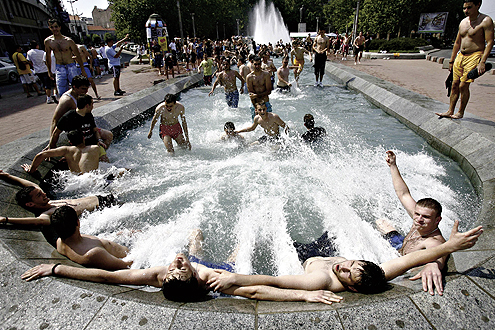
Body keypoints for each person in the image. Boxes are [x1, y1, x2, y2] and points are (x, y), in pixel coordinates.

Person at [21, 222, 483, 304]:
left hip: (294, 258)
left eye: (348, 271)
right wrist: (447, 249)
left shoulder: (332, 275)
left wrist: (57, 269)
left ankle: (222, 247)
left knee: (229, 256)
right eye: (350, 265)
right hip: (303, 257)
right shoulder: (343, 271)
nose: (344, 266)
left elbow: (261, 284)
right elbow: (397, 268)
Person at [376, 151, 449, 295]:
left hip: (403, 260)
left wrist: (434, 265)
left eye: (426, 217)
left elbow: (441, 252)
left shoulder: (433, 241)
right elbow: (403, 194)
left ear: (437, 220)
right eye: (417, 214)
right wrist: (393, 166)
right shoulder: (418, 219)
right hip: (401, 244)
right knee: (379, 222)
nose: (419, 219)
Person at [0, 170, 117, 229]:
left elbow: (32, 185)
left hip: (102, 197)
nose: (44, 194)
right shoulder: (49, 213)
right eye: (39, 195)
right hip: (106, 208)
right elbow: (38, 221)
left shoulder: (49, 201)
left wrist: (8, 176)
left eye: (41, 192)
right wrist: (6, 219)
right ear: (30, 204)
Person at [435, 0, 493, 119]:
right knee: (454, 84)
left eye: (469, 8)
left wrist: (482, 62)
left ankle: (460, 112)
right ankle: (450, 110)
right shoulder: (463, 22)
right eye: (464, 8)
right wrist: (451, 61)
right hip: (461, 56)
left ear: (478, 5)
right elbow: (457, 42)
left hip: (475, 55)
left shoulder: (485, 21)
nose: (466, 11)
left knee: (463, 85)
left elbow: (490, 42)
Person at [49, 205, 132, 270]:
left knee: (129, 232)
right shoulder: (93, 254)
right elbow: (126, 265)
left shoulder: (60, 242)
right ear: (78, 222)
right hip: (129, 253)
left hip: (111, 244)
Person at [49, 94, 112, 162]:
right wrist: (52, 150)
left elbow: (95, 130)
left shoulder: (89, 115)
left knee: (106, 163)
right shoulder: (68, 117)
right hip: (80, 148)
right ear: (87, 106)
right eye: (92, 104)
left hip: (94, 145)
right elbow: (55, 133)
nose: (93, 107)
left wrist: (99, 140)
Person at [23, 130, 100, 175]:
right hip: (93, 181)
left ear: (70, 142)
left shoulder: (66, 150)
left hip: (76, 182)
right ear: (83, 138)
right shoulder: (95, 148)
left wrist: (31, 170)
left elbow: (41, 155)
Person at [44, 18, 87, 96]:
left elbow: (78, 56)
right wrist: (49, 71)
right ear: (49, 28)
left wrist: (82, 69)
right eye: (52, 27)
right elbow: (48, 57)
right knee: (62, 92)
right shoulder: (48, 42)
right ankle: (67, 106)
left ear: (60, 27)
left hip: (71, 66)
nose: (54, 29)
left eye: (56, 27)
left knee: (77, 89)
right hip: (59, 68)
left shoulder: (68, 41)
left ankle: (78, 105)